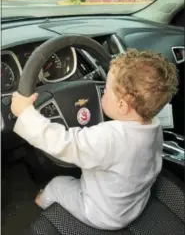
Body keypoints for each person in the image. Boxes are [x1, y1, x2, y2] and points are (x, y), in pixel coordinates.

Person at [11, 49, 178, 230]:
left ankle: (39, 202)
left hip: (102, 214)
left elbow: (64, 143)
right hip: (134, 203)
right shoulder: (153, 126)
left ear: (122, 106)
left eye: (105, 90)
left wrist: (25, 113)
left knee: (57, 185)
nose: (102, 93)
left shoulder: (110, 139)